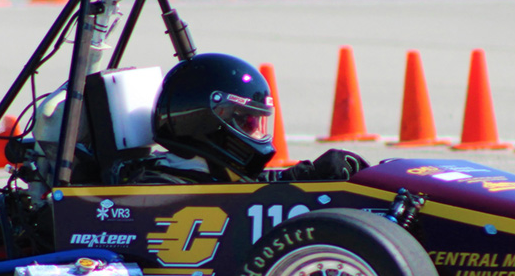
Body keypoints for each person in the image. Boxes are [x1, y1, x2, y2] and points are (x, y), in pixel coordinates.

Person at [119, 53, 367, 185]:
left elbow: (256, 184)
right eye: (250, 123)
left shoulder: (215, 173)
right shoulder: (155, 187)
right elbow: (235, 202)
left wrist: (308, 175)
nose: (258, 134)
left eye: (260, 124)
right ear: (208, 121)